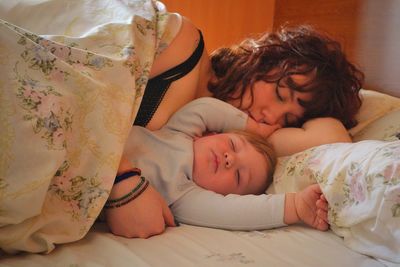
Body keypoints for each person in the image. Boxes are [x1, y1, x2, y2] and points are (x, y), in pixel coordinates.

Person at [110, 13, 364, 238]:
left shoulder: (223, 155)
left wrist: (257, 136)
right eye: (279, 94)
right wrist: (123, 179)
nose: (270, 118)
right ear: (262, 60)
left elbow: (334, 139)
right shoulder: (182, 44)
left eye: (288, 121)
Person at [105, 97, 330, 237]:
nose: (229, 159)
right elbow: (206, 108)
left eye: (239, 176)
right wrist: (253, 127)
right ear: (213, 133)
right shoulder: (178, 132)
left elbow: (237, 213)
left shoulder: (184, 196)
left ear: (224, 195)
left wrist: (296, 206)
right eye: (232, 144)